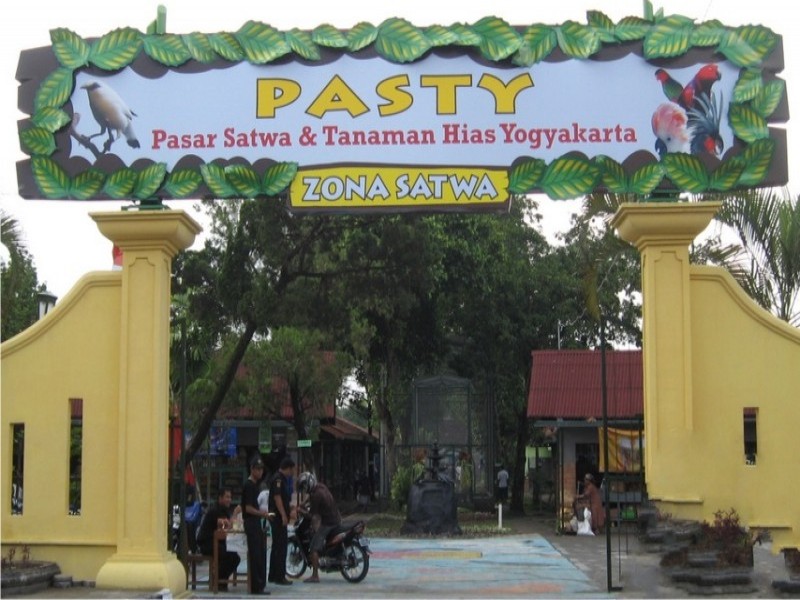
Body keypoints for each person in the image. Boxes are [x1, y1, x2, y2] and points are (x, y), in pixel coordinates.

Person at [296, 471, 341, 583]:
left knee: (313, 548)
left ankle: (315, 576)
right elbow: (309, 496)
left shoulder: (317, 495)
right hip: (336, 519)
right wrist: (303, 503)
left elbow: (312, 516)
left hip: (328, 523)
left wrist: (300, 510)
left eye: (304, 486)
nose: (305, 489)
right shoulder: (320, 487)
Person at [195, 488, 241, 591]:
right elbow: (226, 525)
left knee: (235, 557)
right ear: (220, 498)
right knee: (229, 556)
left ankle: (221, 581)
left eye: (230, 497)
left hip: (218, 543)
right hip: (207, 544)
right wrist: (235, 513)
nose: (229, 500)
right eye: (227, 497)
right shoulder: (215, 510)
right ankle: (218, 581)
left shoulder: (224, 510)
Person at [243, 457, 270, 595]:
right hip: (251, 522)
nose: (260, 472)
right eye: (258, 469)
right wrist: (261, 514)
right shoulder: (248, 486)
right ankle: (256, 586)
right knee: (255, 554)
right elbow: (247, 508)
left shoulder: (255, 486)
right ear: (252, 469)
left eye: (261, 469)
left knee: (260, 553)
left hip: (256, 522)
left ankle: (260, 584)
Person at [267, 456, 295, 586]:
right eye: (291, 470)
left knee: (276, 546)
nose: (292, 473)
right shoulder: (278, 479)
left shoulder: (279, 478)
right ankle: (279, 576)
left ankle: (273, 575)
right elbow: (277, 498)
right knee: (281, 547)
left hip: (277, 517)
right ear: (287, 468)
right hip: (278, 518)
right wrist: (284, 515)